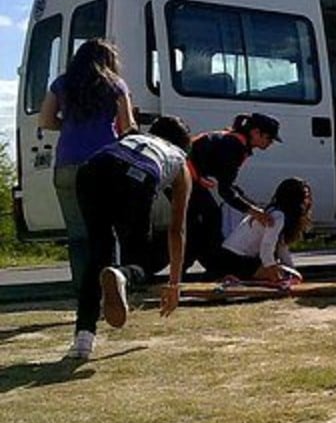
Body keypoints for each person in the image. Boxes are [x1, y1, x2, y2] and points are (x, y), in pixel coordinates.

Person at [67, 116, 191, 359]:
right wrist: (174, 284)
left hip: (92, 169)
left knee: (98, 254)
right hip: (138, 177)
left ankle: (83, 338)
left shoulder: (133, 138)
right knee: (141, 261)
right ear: (184, 145)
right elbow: (177, 230)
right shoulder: (179, 160)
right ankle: (123, 275)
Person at [38, 38, 135, 328]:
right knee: (108, 232)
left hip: (67, 164)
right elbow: (127, 126)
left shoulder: (62, 84)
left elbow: (45, 120)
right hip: (103, 163)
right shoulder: (116, 85)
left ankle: (84, 298)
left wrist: (68, 125)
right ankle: (112, 291)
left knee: (78, 236)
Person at [186, 113, 281, 268]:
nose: (270, 143)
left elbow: (228, 184)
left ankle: (209, 265)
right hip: (183, 177)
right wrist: (254, 211)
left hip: (188, 176)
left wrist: (253, 206)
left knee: (208, 220)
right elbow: (226, 191)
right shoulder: (234, 147)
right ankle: (209, 266)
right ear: (256, 132)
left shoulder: (234, 141)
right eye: (269, 138)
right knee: (209, 219)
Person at [202, 177, 312, 281]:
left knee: (287, 274)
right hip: (233, 259)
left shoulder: (278, 214)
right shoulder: (278, 216)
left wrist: (293, 270)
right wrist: (271, 267)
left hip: (234, 257)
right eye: (304, 196)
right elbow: (267, 245)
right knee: (280, 274)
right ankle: (234, 277)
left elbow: (282, 248)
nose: (307, 201)